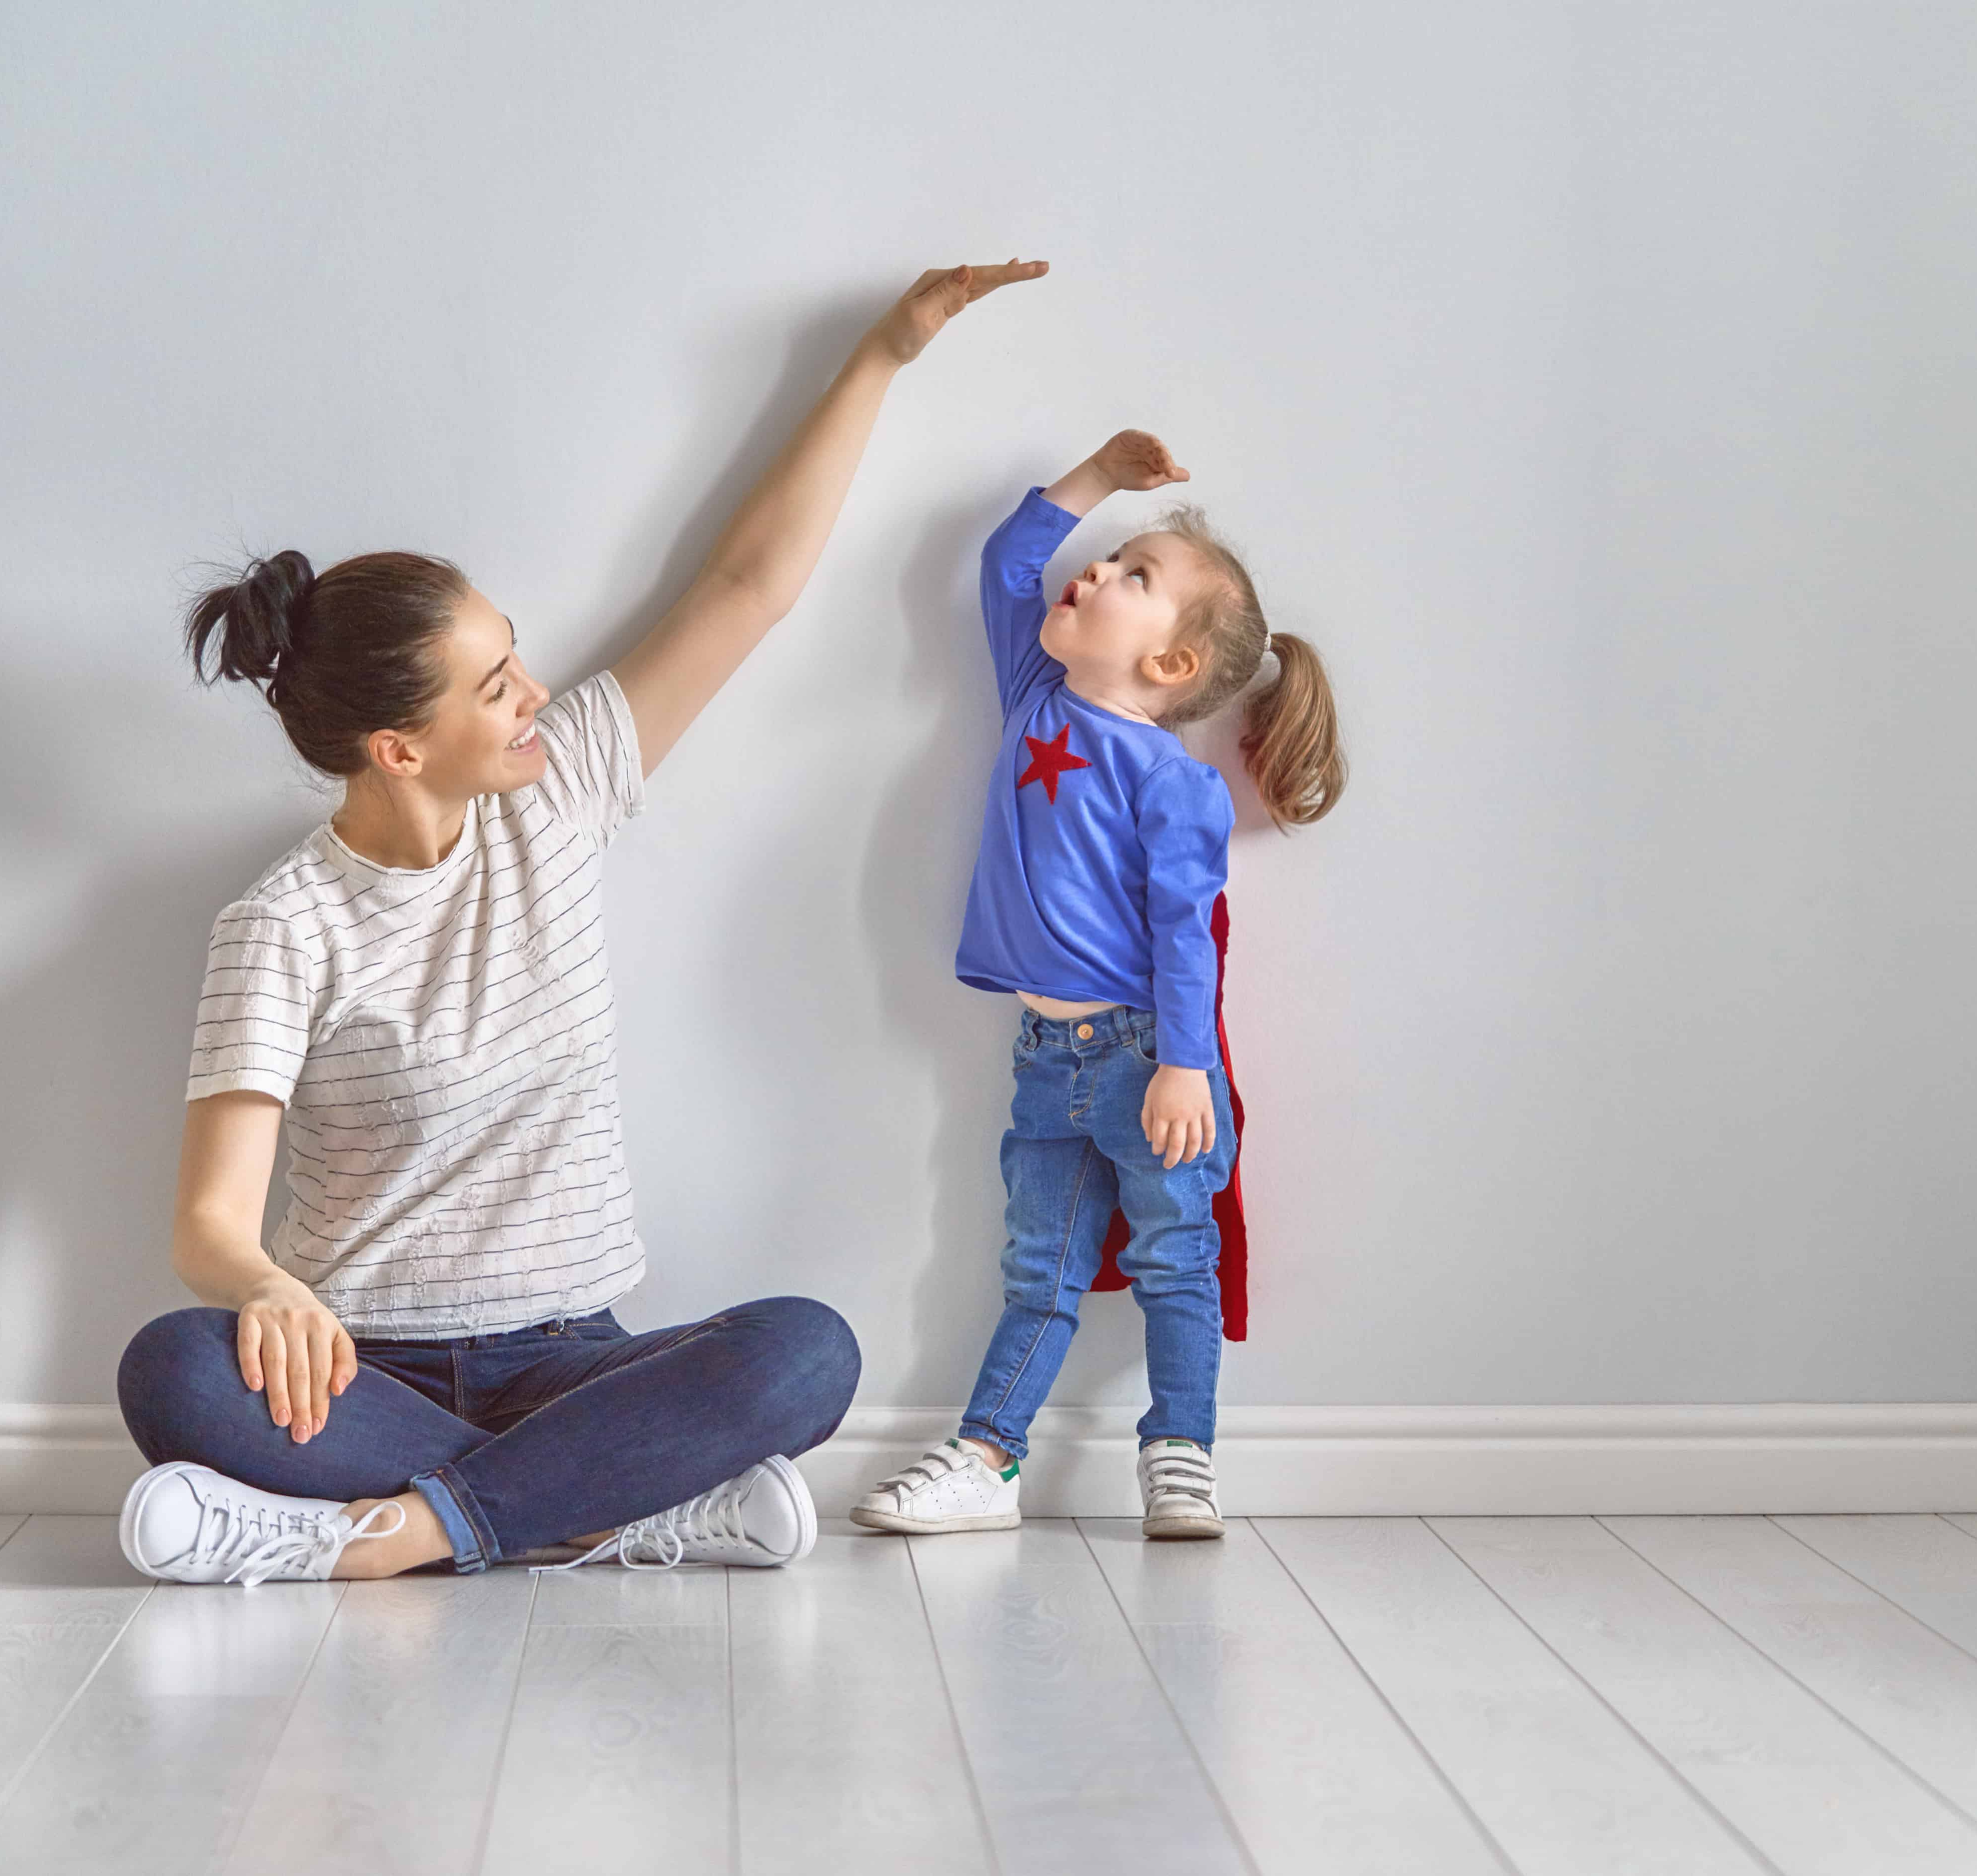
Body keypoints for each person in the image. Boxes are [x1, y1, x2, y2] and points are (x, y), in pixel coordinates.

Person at [114, 259, 1048, 1586]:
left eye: (515, 655)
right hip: (357, 1367)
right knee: (171, 1371)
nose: (535, 692)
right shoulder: (282, 924)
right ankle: (608, 1507)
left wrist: (885, 354)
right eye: (496, 685)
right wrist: (266, 1290)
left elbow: (748, 585)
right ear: (396, 745)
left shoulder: (557, 790)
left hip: (574, 1358)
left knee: (806, 1348)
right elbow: (210, 1220)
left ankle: (397, 1531)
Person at [850, 429, 1347, 1542]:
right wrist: (1097, 484)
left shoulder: (1173, 784)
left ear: (1170, 666)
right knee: (1038, 1269)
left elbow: (1187, 937)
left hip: (1143, 1058)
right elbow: (1004, 566)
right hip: (1044, 1060)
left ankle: (1180, 1455)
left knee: (1178, 1260)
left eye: (1133, 577)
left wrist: (1185, 1065)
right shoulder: (1033, 691)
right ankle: (986, 1458)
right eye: (1108, 558)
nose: (1092, 572)